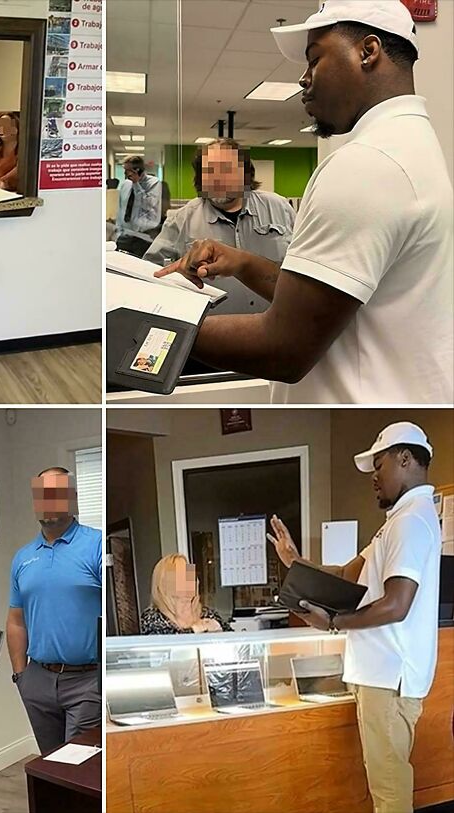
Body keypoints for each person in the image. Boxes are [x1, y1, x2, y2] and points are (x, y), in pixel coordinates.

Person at [155, 0, 453, 404]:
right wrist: (244, 263)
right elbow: (321, 298)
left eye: (314, 60)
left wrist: (154, 325)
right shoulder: (411, 146)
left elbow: (283, 348)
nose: (303, 77)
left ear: (368, 51)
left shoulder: (367, 165)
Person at [268, 421, 441, 813]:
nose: (373, 478)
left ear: (405, 458)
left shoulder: (411, 522)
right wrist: (295, 561)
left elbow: (397, 605)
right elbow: (348, 574)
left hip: (389, 678)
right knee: (383, 785)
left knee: (389, 791)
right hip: (378, 676)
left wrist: (333, 623)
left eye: (379, 466)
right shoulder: (397, 522)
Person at [6, 467, 102, 754]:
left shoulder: (96, 545)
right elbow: (16, 620)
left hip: (87, 680)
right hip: (38, 680)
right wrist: (21, 676)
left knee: (79, 763)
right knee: (50, 765)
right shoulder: (23, 557)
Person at [144, 138, 296, 315]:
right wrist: (179, 277)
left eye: (227, 169)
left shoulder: (279, 207)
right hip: (213, 327)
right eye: (209, 170)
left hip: (278, 324)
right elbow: (151, 274)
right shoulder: (182, 219)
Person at [141, 554, 232, 634]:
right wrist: (196, 629)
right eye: (181, 576)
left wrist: (219, 631)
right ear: (164, 584)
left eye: (190, 575)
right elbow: (165, 642)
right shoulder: (152, 617)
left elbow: (232, 638)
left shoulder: (207, 614)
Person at [114, 155, 163, 257]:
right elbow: (121, 209)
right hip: (125, 236)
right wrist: (118, 232)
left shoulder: (153, 183)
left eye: (127, 170)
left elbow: (148, 205)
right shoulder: (125, 185)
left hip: (144, 237)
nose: (125, 173)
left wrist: (136, 184)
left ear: (137, 170)